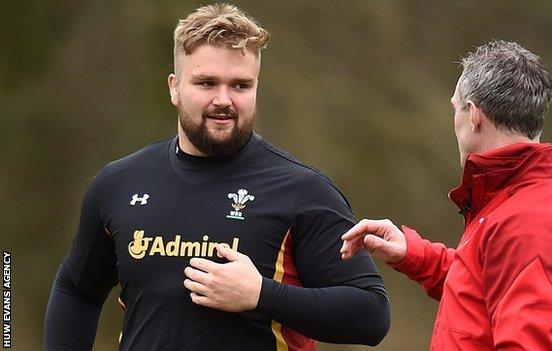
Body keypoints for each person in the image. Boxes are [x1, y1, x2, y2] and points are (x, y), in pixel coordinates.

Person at [44, 4, 390, 350]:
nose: (223, 100)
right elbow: (77, 290)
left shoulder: (303, 191)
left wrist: (260, 294)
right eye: (207, 83)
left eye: (240, 85)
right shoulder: (118, 183)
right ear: (174, 88)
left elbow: (371, 315)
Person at [341, 40, 552, 350]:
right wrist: (414, 254)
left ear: (474, 114)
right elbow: (490, 284)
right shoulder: (516, 200)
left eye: (455, 108)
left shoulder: (533, 223)